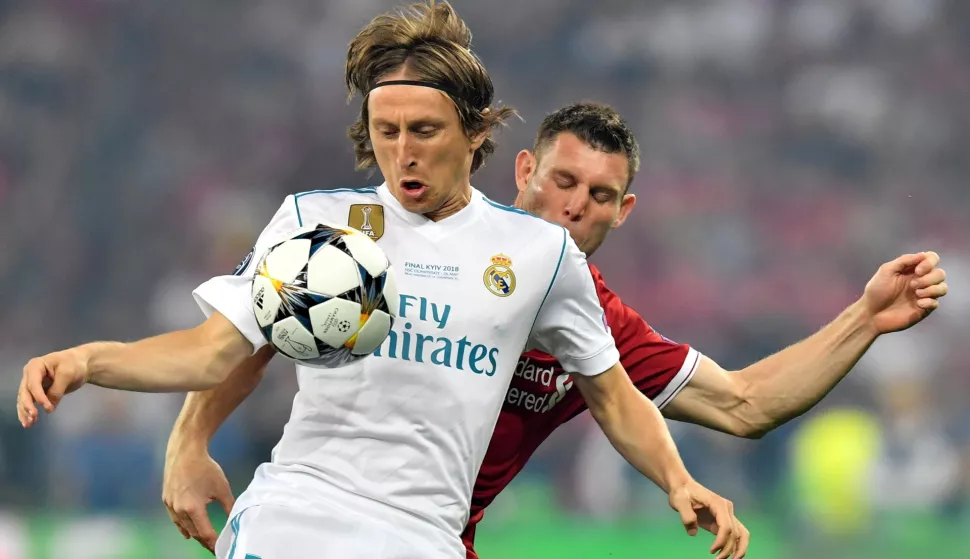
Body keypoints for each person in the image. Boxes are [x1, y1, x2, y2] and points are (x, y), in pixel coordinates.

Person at [15, 4, 746, 559]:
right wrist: (88, 360)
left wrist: (677, 480)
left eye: (423, 131)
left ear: (475, 131)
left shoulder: (539, 254)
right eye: (385, 130)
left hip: (419, 536)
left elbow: (614, 397)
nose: (402, 154)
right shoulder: (314, 222)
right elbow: (212, 353)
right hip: (292, 518)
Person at [160, 102, 948, 559]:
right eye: (564, 181)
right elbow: (260, 326)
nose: (576, 204)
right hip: (317, 520)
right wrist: (188, 443)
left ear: (623, 211)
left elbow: (745, 403)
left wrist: (865, 319)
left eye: (601, 195)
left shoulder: (593, 320)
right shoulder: (414, 233)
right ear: (525, 171)